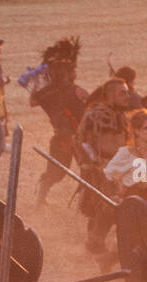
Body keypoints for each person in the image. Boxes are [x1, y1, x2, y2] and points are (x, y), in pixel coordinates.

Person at [75, 77, 132, 254]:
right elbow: (81, 142)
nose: (127, 96)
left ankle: (103, 245)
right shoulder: (94, 115)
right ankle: (95, 245)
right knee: (100, 207)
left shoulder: (123, 117)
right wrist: (93, 164)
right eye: (122, 93)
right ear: (109, 96)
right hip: (99, 170)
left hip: (119, 169)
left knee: (117, 207)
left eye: (127, 92)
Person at [30, 37, 87, 203]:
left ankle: (41, 196)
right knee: (87, 170)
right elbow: (93, 105)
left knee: (57, 172)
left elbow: (32, 101)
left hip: (60, 137)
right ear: (69, 74)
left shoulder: (47, 94)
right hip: (77, 139)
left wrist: (38, 83)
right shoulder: (77, 91)